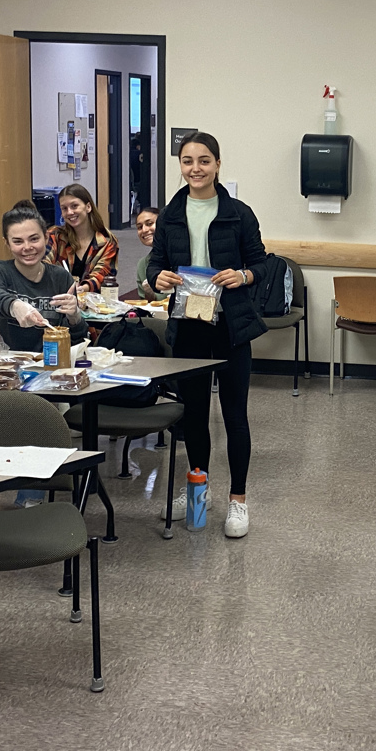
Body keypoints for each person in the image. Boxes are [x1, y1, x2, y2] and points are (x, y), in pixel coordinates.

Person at [148, 132, 268, 539]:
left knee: (234, 416)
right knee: (194, 416)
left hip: (231, 327)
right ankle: (198, 490)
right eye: (187, 161)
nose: (195, 168)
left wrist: (243, 275)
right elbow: (156, 265)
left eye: (204, 160)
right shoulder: (171, 214)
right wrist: (158, 278)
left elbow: (262, 264)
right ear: (180, 166)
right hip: (188, 326)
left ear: (217, 164)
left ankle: (238, 499)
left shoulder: (238, 213)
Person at [0, 199, 88, 353]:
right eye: (18, 242)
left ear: (46, 238)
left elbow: (77, 342)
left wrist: (74, 317)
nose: (27, 247)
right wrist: (14, 306)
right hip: (6, 362)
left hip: (50, 361)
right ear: (7, 244)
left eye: (34, 239)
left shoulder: (61, 277)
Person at [50, 183, 118, 294]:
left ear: (88, 207)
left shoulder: (107, 241)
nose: (69, 212)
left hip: (93, 299)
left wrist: (82, 288)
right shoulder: (55, 236)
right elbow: (43, 265)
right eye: (64, 208)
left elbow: (102, 275)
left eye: (74, 206)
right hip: (58, 296)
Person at [130, 205, 161, 300]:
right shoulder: (143, 264)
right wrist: (149, 295)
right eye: (139, 227)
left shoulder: (182, 256)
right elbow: (147, 303)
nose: (144, 230)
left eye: (149, 224)